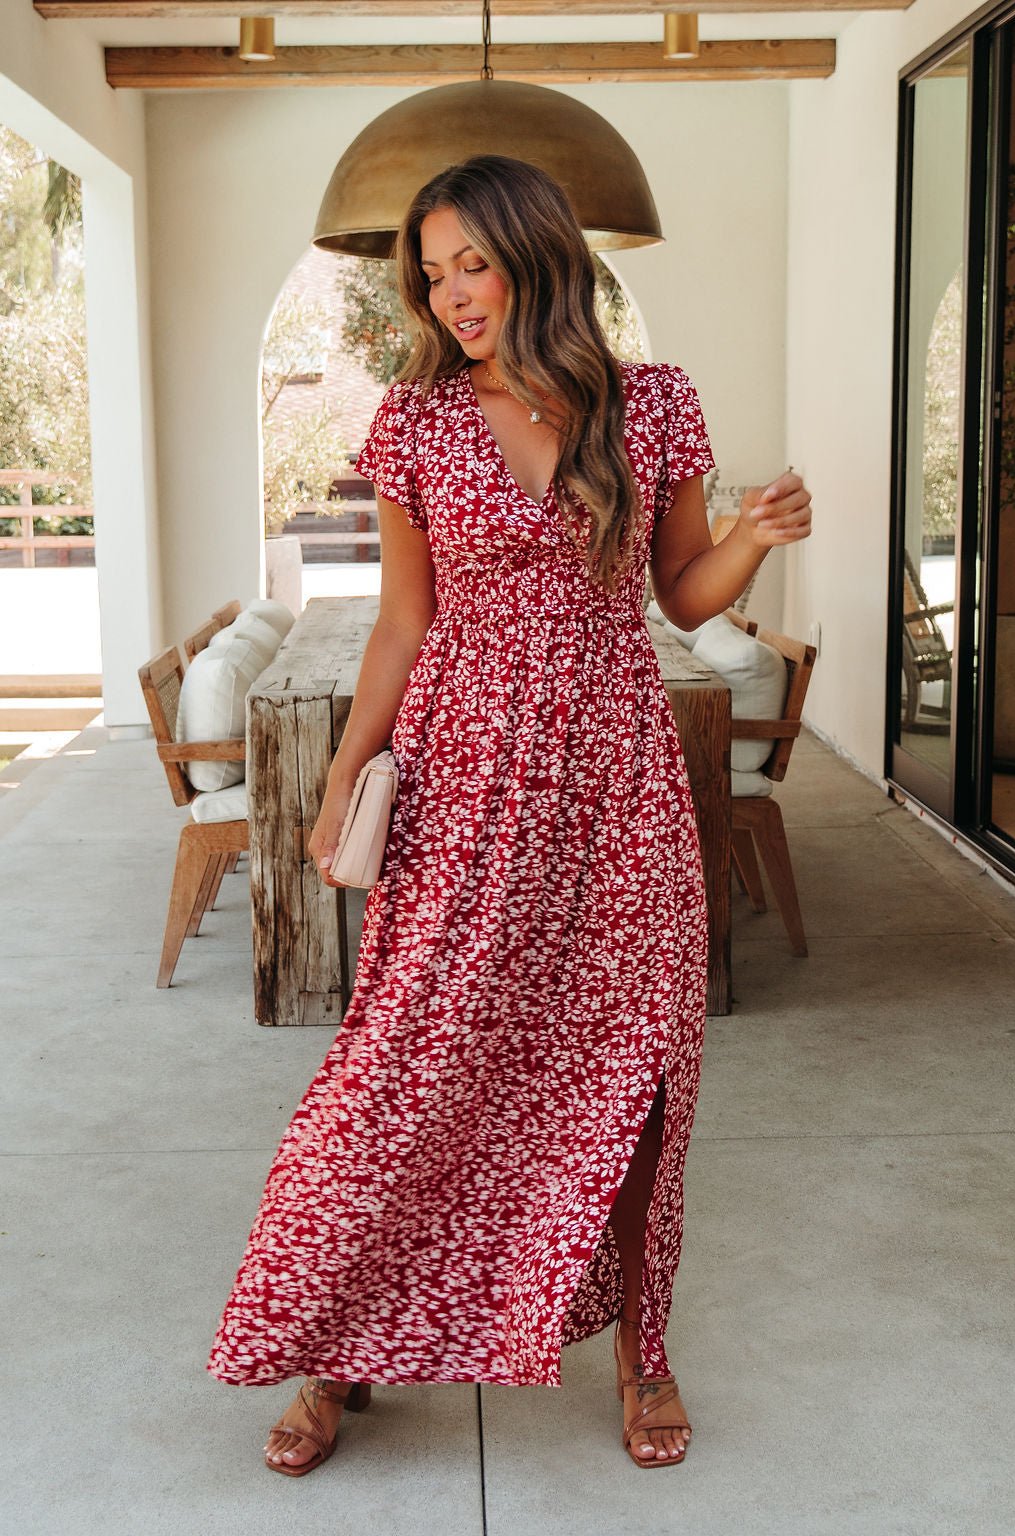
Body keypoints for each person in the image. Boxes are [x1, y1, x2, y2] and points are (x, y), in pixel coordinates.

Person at [207, 154, 812, 1473]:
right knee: (401, 1066)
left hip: (618, 782)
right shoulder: (417, 422)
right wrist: (339, 781)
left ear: (538, 255)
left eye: (470, 264)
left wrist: (755, 540)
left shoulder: (651, 404)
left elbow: (683, 593)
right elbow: (402, 626)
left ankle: (644, 1352)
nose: (451, 295)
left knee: (634, 1073)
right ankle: (334, 1347)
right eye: (433, 275)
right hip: (465, 781)